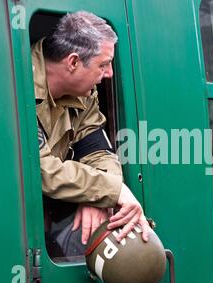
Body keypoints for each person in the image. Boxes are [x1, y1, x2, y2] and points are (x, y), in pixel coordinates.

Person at [32, 11, 150, 259]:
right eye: (103, 64)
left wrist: (98, 196)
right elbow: (38, 167)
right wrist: (114, 191)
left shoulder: (85, 96)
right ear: (73, 62)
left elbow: (99, 152)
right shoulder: (18, 82)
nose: (109, 74)